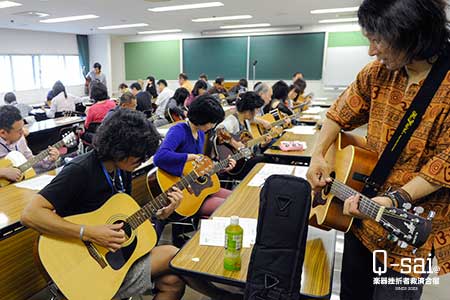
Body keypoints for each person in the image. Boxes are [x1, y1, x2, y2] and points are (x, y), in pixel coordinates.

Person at [306, 1, 450, 299]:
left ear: (411, 35)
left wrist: (395, 198)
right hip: (361, 218)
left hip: (410, 232)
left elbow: (446, 162)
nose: (372, 51)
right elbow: (337, 114)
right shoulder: (377, 72)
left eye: (378, 40)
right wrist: (318, 155)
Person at [20, 109, 240, 300]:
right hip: (86, 265)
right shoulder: (81, 170)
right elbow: (30, 214)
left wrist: (163, 213)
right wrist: (88, 232)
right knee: (174, 254)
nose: (141, 160)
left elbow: (126, 218)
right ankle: (224, 296)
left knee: (173, 281)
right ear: (119, 149)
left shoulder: (122, 170)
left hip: (117, 256)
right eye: (138, 156)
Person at [154, 95, 236, 225]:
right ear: (202, 118)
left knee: (237, 198)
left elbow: (198, 170)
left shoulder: (201, 134)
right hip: (186, 195)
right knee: (230, 208)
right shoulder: (178, 130)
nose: (213, 125)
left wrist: (222, 168)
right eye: (212, 122)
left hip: (200, 190)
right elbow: (159, 157)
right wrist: (191, 156)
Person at [216, 91, 271, 179]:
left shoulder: (245, 121)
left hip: (243, 160)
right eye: (256, 109)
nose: (257, 112)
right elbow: (219, 130)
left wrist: (262, 145)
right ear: (248, 111)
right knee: (267, 161)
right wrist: (235, 144)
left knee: (266, 158)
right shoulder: (232, 120)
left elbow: (247, 149)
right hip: (234, 165)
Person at [0, 105, 59, 182]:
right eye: (19, 130)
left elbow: (30, 162)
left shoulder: (20, 138)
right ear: (3, 133)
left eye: (22, 127)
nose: (24, 132)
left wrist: (48, 160)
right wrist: (3, 172)